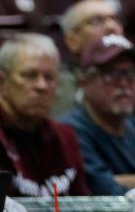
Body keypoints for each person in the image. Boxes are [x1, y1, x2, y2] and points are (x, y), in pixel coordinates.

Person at [61, 33, 135, 194]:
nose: (124, 83)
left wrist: (126, 181)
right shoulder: (69, 133)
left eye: (131, 73)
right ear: (84, 81)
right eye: (111, 73)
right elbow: (104, 192)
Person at [0, 33, 91, 196]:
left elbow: (84, 203)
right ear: (2, 82)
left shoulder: (65, 137)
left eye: (49, 77)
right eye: (29, 75)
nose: (42, 86)